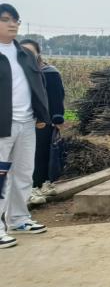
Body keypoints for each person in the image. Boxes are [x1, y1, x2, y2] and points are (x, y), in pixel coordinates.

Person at [0, 3, 50, 248]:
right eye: (6, 19)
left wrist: (42, 114)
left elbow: (38, 86)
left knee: (23, 172)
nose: (12, 24)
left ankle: (18, 218)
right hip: (3, 124)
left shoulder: (25, 54)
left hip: (26, 122)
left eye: (16, 20)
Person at [21, 40, 64, 204]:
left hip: (43, 120)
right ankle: (33, 187)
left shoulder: (49, 72)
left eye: (31, 52)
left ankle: (40, 184)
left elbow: (56, 98)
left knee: (42, 153)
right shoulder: (17, 72)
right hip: (21, 120)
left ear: (38, 54)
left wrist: (56, 118)